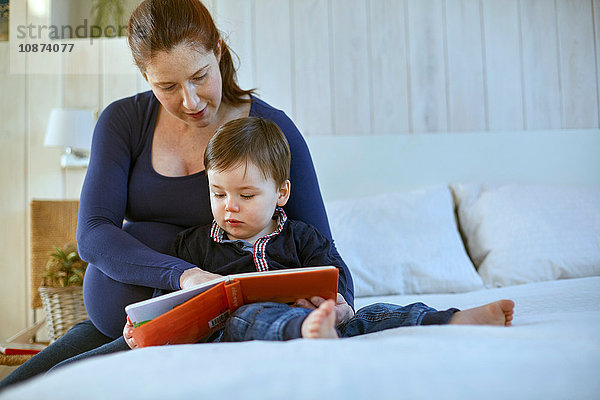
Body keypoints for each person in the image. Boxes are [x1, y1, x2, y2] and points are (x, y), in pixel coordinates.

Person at [0, 0, 352, 390]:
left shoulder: (268, 131)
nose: (191, 101)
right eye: (167, 86)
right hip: (123, 327)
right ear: (144, 77)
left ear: (217, 49)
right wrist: (185, 276)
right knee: (20, 387)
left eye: (200, 76)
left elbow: (322, 249)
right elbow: (94, 233)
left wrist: (341, 304)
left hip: (211, 327)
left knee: (56, 386)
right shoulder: (124, 122)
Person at [123, 116, 514, 348]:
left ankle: (452, 319)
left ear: (281, 193)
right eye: (218, 192)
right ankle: (308, 332)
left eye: (246, 194)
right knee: (247, 315)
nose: (230, 205)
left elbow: (335, 271)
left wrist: (341, 303)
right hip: (242, 326)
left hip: (322, 314)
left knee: (375, 315)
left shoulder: (303, 237)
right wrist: (143, 327)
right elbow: (166, 298)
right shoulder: (194, 245)